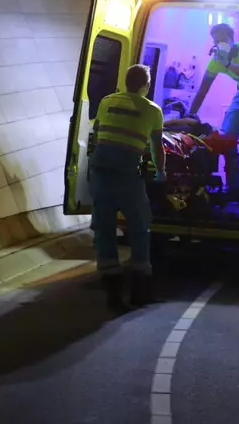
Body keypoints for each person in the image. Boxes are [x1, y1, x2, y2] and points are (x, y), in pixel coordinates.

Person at [89, 64, 166, 308]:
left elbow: (98, 133)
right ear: (147, 85)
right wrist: (161, 172)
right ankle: (141, 283)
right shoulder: (152, 110)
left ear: (124, 81)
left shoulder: (106, 101)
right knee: (139, 225)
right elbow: (157, 147)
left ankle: (111, 278)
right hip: (126, 175)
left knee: (104, 226)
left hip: (100, 171)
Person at [187, 23, 239, 206]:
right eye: (216, 41)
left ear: (231, 40)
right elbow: (202, 90)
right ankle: (234, 188)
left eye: (222, 40)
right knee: (226, 138)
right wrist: (190, 113)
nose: (219, 44)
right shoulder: (216, 60)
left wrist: (228, 63)